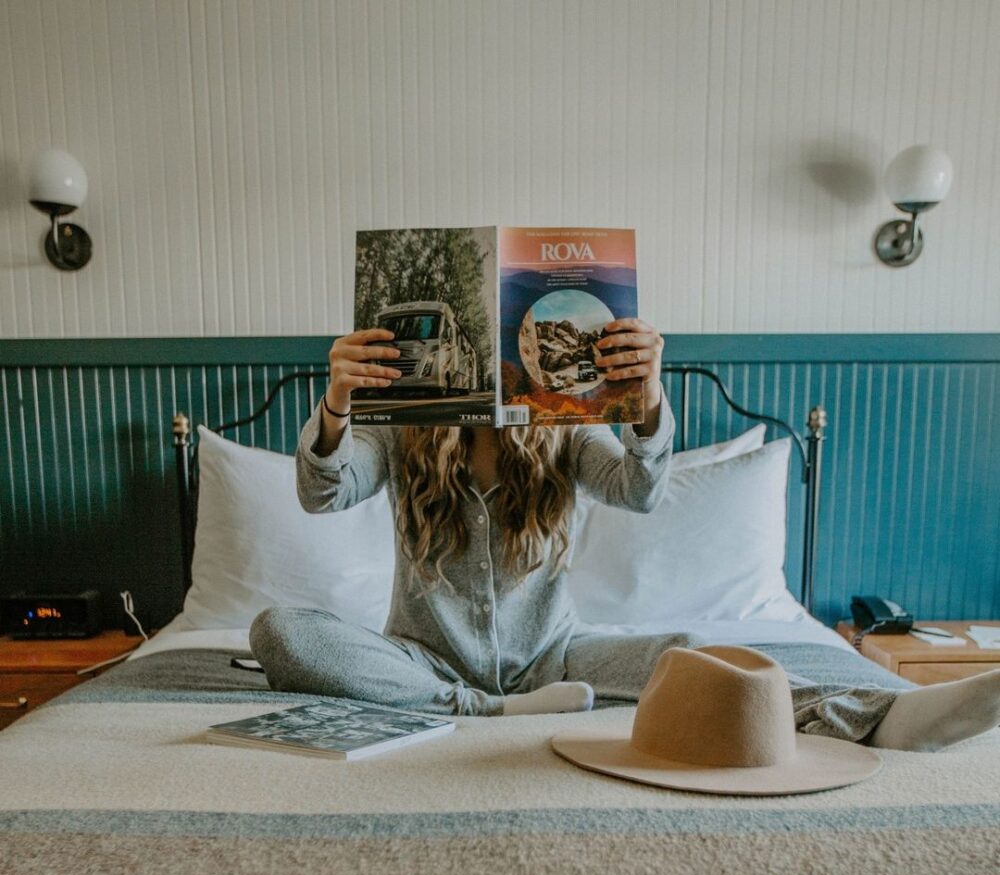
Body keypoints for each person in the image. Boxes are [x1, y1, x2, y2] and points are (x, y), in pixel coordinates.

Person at [250, 321, 1000, 752]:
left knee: (697, 657)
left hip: (557, 658)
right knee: (279, 630)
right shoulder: (406, 429)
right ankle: (474, 709)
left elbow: (640, 489)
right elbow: (322, 493)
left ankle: (879, 717)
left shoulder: (564, 427)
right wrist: (340, 402)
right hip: (423, 658)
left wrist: (646, 402)